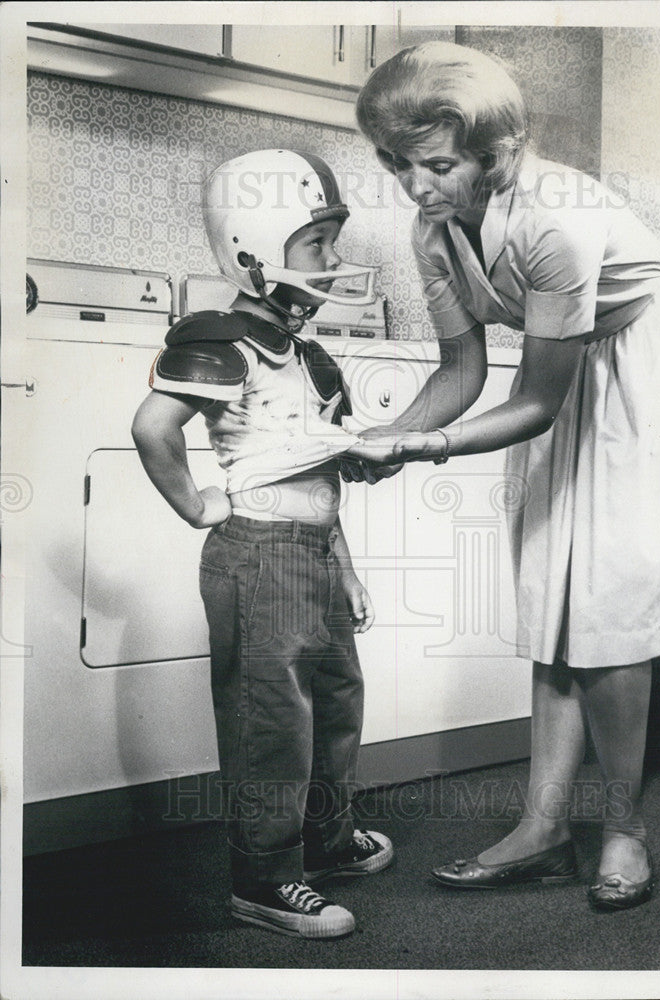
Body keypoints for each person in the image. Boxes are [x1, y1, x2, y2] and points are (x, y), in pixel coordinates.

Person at [347, 41, 660, 910]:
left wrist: (425, 451)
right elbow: (458, 372)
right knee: (553, 599)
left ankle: (623, 832)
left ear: (500, 150)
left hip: (643, 375)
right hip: (568, 373)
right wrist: (383, 433)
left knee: (607, 609)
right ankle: (542, 828)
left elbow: (531, 400)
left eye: (437, 166)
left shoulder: (553, 217)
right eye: (399, 167)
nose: (417, 188)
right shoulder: (435, 228)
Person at [131, 148, 393, 939]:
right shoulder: (224, 340)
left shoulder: (307, 353)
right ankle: (265, 878)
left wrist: (342, 569)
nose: (332, 259)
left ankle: (327, 838)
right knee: (272, 720)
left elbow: (321, 476)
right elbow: (153, 427)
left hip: (310, 553)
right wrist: (197, 507)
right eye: (316, 243)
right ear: (253, 248)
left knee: (335, 702)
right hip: (259, 553)